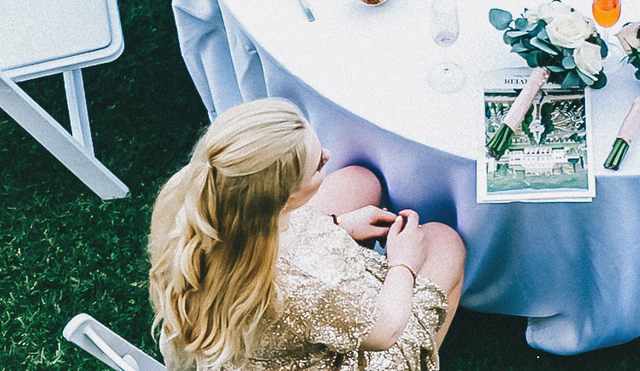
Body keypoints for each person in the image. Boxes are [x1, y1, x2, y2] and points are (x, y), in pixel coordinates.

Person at [149, 98, 465, 371]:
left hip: (250, 340)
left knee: (360, 180)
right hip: (333, 352)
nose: (328, 154)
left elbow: (277, 242)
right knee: (443, 242)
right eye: (318, 164)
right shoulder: (305, 287)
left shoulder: (197, 204)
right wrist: (402, 263)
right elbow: (384, 333)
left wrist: (337, 224)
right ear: (281, 198)